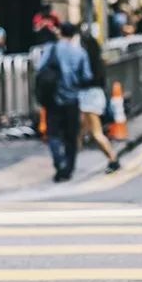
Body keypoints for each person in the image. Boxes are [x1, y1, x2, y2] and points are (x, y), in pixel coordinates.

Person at [37, 22, 92, 182]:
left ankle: (59, 162)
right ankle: (68, 168)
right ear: (74, 34)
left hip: (53, 99)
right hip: (72, 99)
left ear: (60, 32)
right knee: (71, 135)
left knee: (53, 133)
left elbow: (40, 69)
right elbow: (87, 76)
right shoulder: (80, 52)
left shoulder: (51, 49)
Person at [79, 32, 121, 174]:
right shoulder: (97, 60)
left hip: (90, 98)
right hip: (93, 96)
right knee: (80, 131)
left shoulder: (87, 62)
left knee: (96, 134)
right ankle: (68, 163)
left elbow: (86, 79)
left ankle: (113, 159)